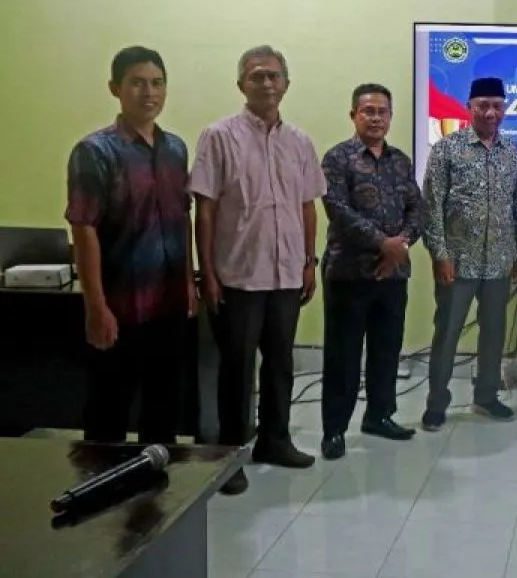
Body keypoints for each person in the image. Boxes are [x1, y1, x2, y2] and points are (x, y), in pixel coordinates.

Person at [190, 45, 327, 495]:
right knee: (237, 369)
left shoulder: (300, 141)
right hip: (238, 275)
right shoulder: (218, 136)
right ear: (241, 85)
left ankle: (275, 441)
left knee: (281, 363)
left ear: (286, 83)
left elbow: (307, 206)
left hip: (286, 274)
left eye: (274, 76)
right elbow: (205, 209)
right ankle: (229, 457)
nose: (267, 83)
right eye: (257, 76)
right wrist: (207, 272)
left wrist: (309, 262)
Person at [65, 46, 196, 445]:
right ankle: (103, 486)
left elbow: (182, 218)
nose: (149, 93)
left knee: (163, 413)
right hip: (120, 306)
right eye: (137, 83)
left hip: (169, 305)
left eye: (157, 83)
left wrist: (189, 284)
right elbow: (83, 228)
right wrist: (96, 307)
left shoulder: (176, 149)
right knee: (108, 416)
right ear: (115, 88)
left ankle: (156, 486)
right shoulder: (95, 152)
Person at [318, 83, 427, 460]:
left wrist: (401, 245)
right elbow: (337, 209)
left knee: (387, 350)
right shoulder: (337, 158)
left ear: (391, 117)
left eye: (383, 111)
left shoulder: (400, 160)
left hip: (393, 274)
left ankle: (379, 416)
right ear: (354, 115)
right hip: (349, 274)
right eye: (368, 111)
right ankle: (334, 430)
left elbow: (418, 208)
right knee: (343, 356)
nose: (376, 118)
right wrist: (384, 244)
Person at [420, 76, 517, 431]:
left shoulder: (513, 151)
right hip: (457, 262)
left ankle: (486, 396)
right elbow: (431, 205)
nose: (490, 112)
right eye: (483, 105)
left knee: (494, 332)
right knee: (447, 333)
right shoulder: (447, 149)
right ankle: (437, 403)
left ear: (505, 109)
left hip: (500, 260)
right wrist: (439, 254)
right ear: (470, 107)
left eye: (497, 106)